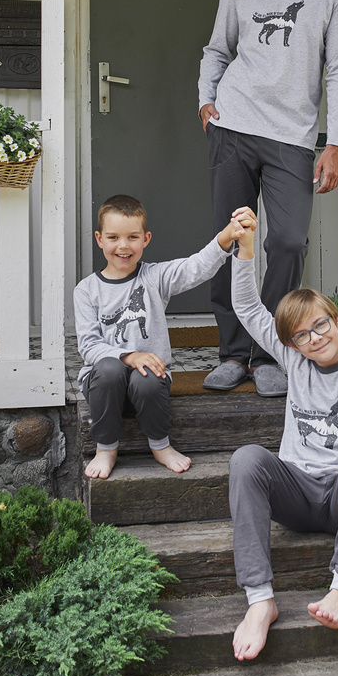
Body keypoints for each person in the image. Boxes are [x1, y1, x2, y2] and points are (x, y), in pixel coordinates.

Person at [198, 0, 338, 398]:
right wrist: (206, 101)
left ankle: (268, 349)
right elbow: (217, 49)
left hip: (292, 135)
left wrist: (335, 143)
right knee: (229, 241)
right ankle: (232, 352)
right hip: (234, 126)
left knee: (288, 241)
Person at [226, 208, 338, 662]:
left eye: (320, 325)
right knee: (245, 459)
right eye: (302, 335)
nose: (315, 338)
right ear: (291, 344)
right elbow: (247, 308)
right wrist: (245, 249)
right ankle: (260, 602)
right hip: (298, 496)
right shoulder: (296, 362)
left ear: (335, 320)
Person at [74, 194, 256, 480]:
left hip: (149, 387)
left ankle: (160, 445)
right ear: (99, 239)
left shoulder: (154, 277)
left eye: (133, 237)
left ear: (146, 239)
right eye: (113, 237)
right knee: (109, 368)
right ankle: (106, 448)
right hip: (104, 387)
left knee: (146, 375)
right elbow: (89, 346)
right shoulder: (86, 290)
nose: (123, 246)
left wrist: (226, 236)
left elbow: (196, 266)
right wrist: (130, 356)